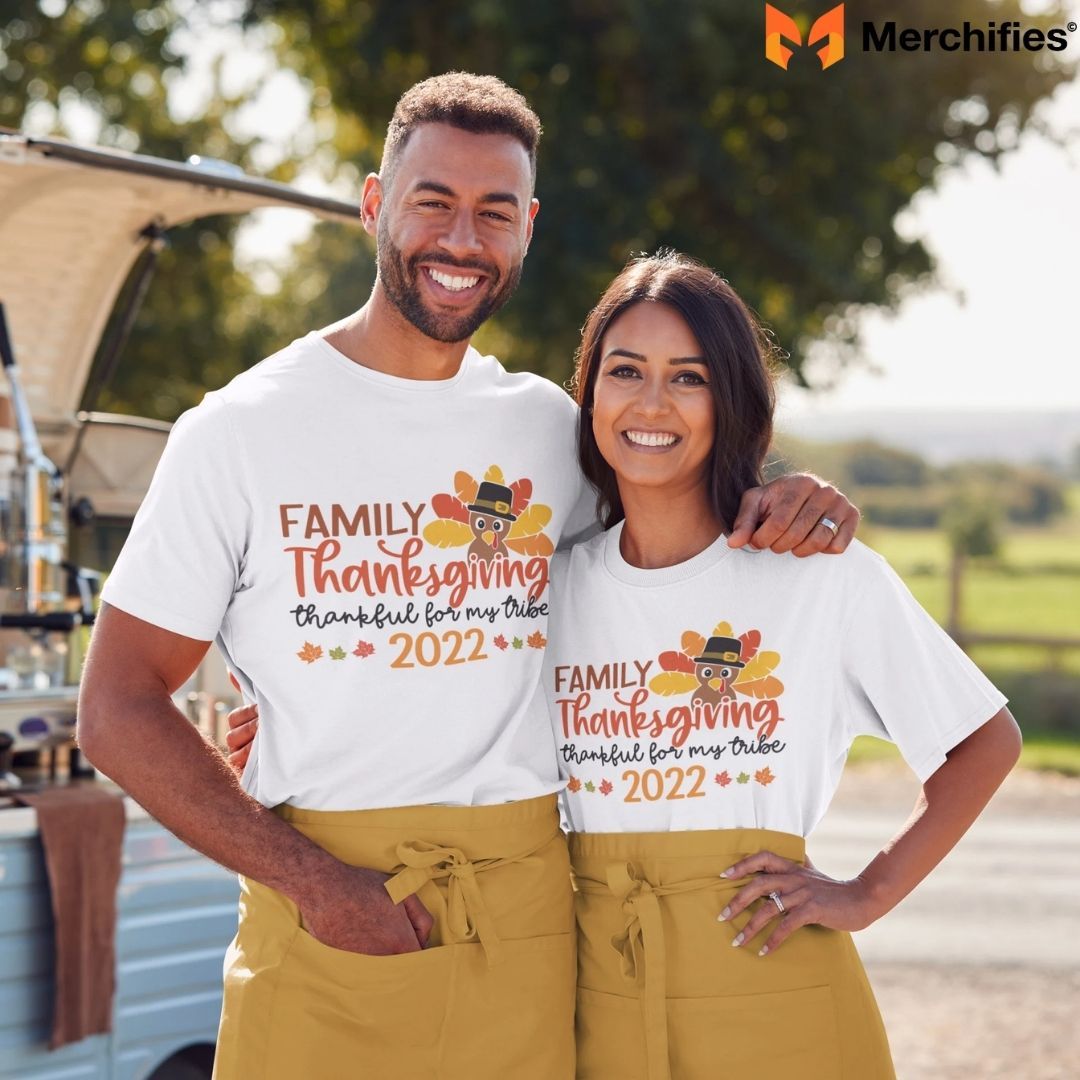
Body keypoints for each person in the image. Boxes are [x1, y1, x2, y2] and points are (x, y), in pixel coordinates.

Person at [77, 75, 858, 1080]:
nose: (461, 239)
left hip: (526, 929)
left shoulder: (550, 430)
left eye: (494, 212)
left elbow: (679, 572)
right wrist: (318, 883)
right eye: (432, 201)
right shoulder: (238, 432)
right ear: (373, 204)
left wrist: (796, 501)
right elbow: (118, 707)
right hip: (323, 932)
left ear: (526, 229)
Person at [548, 251, 1020, 1078]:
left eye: (687, 378)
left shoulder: (818, 574)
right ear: (590, 394)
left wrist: (866, 894)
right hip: (600, 994)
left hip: (780, 998)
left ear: (730, 399)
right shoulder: (550, 589)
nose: (651, 403)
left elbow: (985, 740)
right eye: (625, 371)